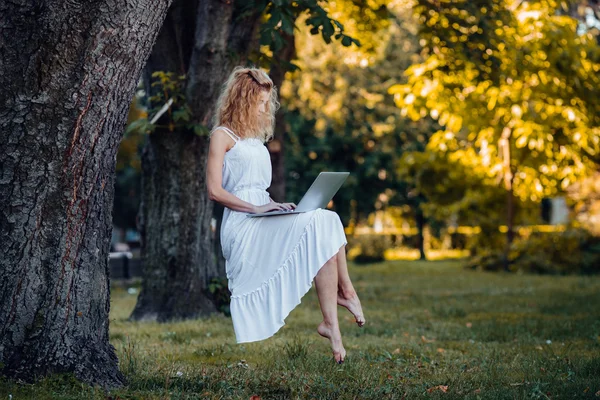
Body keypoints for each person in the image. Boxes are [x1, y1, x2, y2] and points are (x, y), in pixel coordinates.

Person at [205, 66, 365, 364]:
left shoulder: (255, 139)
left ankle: (333, 322)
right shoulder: (222, 136)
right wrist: (257, 208)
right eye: (259, 102)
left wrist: (277, 206)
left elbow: (257, 189)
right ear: (242, 99)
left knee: (326, 220)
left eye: (267, 102)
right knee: (321, 223)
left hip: (263, 215)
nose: (264, 108)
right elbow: (215, 191)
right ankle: (346, 293)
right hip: (242, 225)